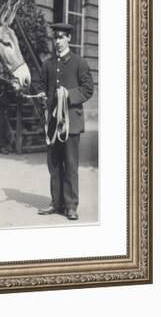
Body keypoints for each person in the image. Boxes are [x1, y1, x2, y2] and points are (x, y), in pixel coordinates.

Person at [33, 23, 94, 220]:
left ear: (69, 39)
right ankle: (56, 202)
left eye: (61, 37)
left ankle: (70, 205)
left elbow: (88, 89)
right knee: (54, 164)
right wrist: (41, 93)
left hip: (71, 124)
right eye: (55, 38)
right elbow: (40, 84)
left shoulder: (79, 62)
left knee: (70, 164)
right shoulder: (48, 64)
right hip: (53, 123)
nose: (57, 41)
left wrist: (68, 95)